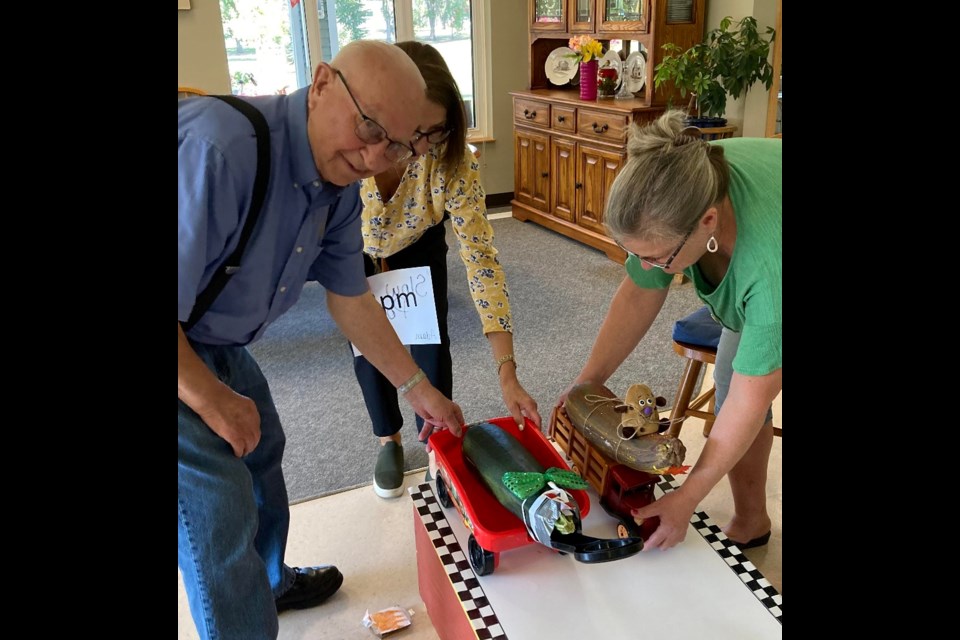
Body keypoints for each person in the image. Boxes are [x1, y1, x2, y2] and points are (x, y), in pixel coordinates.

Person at [178, 41, 465, 640]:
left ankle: (271, 579)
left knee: (262, 445)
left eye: (396, 144)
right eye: (367, 127)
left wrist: (417, 389)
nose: (373, 154)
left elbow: (351, 297)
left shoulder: (335, 188)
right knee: (218, 505)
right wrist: (210, 399)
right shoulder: (223, 151)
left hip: (212, 333)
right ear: (321, 83)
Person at [564, 111, 781, 551]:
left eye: (659, 257)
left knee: (741, 390)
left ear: (708, 223)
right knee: (728, 381)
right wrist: (589, 382)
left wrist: (688, 495)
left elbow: (750, 398)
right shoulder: (683, 184)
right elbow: (639, 292)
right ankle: (752, 519)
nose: (647, 267)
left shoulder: (770, 275)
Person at [354, 41, 541, 499]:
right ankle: (388, 438)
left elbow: (481, 261)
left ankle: (434, 438)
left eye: (434, 132)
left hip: (419, 243)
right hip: (355, 250)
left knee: (431, 344)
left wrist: (507, 372)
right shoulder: (351, 153)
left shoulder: (454, 160)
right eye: (412, 132)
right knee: (368, 347)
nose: (420, 148)